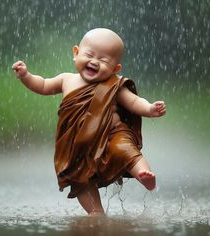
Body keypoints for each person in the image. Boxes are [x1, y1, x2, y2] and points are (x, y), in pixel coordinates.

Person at [12, 28, 166, 216]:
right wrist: (26, 76)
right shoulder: (66, 79)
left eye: (103, 60)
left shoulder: (114, 85)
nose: (94, 61)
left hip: (111, 135)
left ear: (115, 69)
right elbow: (43, 85)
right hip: (78, 147)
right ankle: (95, 212)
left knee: (125, 149)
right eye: (89, 55)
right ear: (76, 53)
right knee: (80, 180)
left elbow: (134, 102)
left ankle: (144, 175)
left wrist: (150, 109)